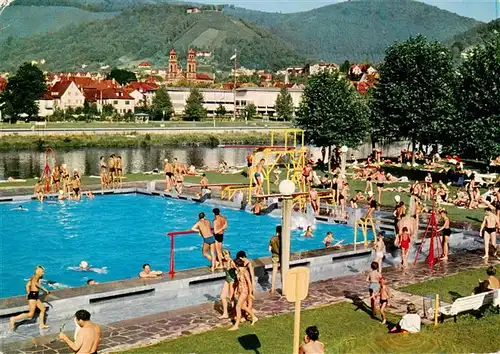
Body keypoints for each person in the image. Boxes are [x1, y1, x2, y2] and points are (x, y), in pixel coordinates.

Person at [10, 265, 50, 330]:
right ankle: (13, 319)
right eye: (42, 272)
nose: (43, 273)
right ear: (38, 272)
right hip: (33, 296)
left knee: (43, 309)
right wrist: (44, 289)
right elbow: (36, 283)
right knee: (30, 314)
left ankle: (41, 325)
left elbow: (27, 285)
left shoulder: (33, 277)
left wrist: (29, 293)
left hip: (34, 295)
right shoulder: (36, 277)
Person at [228, 258, 257, 330]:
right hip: (240, 291)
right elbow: (238, 282)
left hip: (244, 291)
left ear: (237, 264)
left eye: (234, 263)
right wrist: (236, 290)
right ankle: (254, 317)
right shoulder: (238, 271)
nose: (233, 265)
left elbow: (249, 283)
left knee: (238, 307)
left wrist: (250, 293)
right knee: (243, 307)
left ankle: (236, 325)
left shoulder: (245, 271)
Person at [219, 250, 236, 319]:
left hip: (232, 280)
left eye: (227, 255)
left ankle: (234, 314)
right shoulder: (223, 261)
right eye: (225, 255)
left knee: (231, 297)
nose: (226, 257)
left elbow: (237, 269)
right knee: (222, 296)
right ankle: (225, 313)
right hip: (227, 279)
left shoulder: (232, 262)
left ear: (229, 255)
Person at [269, 226, 281, 294]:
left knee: (274, 272)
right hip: (282, 256)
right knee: (283, 271)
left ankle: (273, 288)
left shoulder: (272, 239)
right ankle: (285, 286)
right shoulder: (283, 239)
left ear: (276, 231)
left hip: (275, 256)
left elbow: (269, 249)